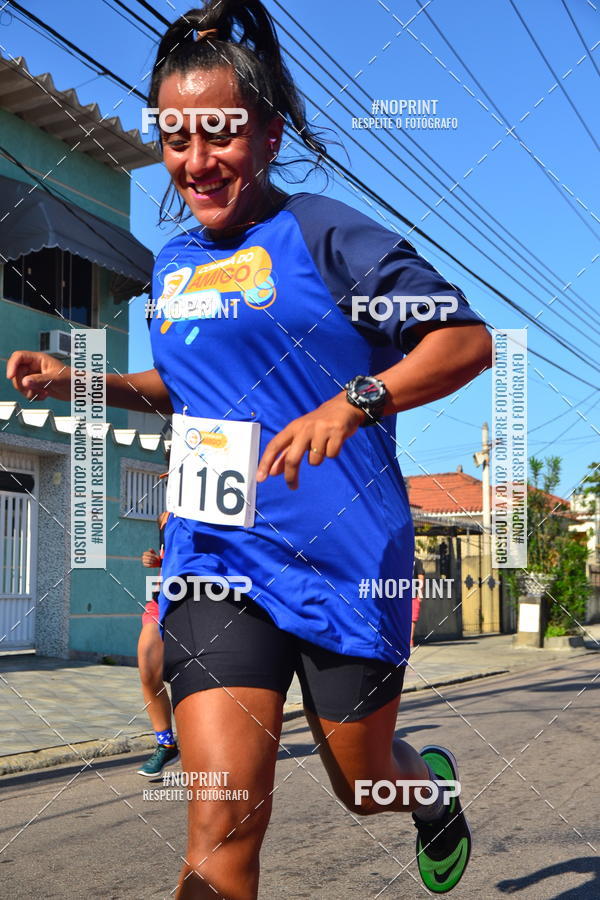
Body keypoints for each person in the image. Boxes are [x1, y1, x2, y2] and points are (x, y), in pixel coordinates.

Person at [7, 2, 493, 896]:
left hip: (344, 563)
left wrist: (356, 400)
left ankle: (430, 796)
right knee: (221, 818)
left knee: (363, 781)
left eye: (220, 135)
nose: (196, 162)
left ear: (267, 134)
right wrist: (84, 382)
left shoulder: (327, 234)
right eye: (177, 138)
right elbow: (183, 389)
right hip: (216, 561)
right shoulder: (174, 265)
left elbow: (464, 340)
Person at [137, 502, 179, 777]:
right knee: (148, 669)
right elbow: (175, 555)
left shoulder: (219, 511)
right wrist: (157, 560)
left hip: (207, 599)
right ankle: (166, 744)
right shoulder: (165, 518)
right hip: (163, 600)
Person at [411, 556, 426, 648]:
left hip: (404, 592)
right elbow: (421, 578)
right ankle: (409, 640)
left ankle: (409, 640)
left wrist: (420, 593)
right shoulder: (416, 560)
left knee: (412, 618)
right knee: (412, 618)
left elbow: (421, 577)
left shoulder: (416, 561)